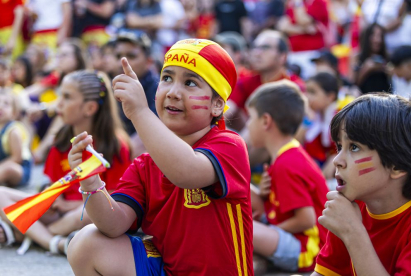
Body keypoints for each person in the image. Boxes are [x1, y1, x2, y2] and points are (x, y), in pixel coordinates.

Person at [67, 39, 253, 275]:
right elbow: (113, 225)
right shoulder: (144, 164)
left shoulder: (229, 145)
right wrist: (91, 181)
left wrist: (140, 112)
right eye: (167, 78)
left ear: (217, 105)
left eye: (190, 83)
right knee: (86, 242)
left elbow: (185, 172)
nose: (173, 92)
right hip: (166, 270)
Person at [0, 70, 131, 254]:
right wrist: (53, 197)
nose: (58, 103)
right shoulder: (61, 139)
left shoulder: (116, 145)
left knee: (84, 214)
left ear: (90, 108)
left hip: (85, 213)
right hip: (55, 211)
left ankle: (26, 234)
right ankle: (53, 242)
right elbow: (50, 180)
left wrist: (71, 206)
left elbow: (117, 198)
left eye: (67, 97)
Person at [312, 93, 411, 275]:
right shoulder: (351, 207)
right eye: (339, 146)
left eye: (354, 147)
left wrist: (353, 232)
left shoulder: (349, 220)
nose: (337, 160)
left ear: (397, 165)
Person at [247, 80, 329, 273]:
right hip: (299, 239)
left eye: (251, 118)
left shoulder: (287, 163)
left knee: (240, 228)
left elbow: (306, 220)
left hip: (308, 249)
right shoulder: (288, 155)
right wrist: (266, 197)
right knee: (243, 187)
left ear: (266, 121)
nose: (248, 125)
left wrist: (271, 232)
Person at [227, 30, 305, 132]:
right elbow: (227, 110)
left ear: (283, 56)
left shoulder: (294, 86)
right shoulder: (247, 81)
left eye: (265, 48)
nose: (257, 53)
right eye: (255, 47)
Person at [114, 28, 158, 158]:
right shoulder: (112, 84)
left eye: (131, 56)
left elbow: (149, 136)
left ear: (149, 61)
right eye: (118, 56)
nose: (121, 63)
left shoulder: (160, 89)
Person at [303, 72, 354, 180]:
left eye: (312, 92)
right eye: (306, 91)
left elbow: (347, 147)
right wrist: (307, 120)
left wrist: (332, 159)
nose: (307, 97)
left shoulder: (340, 115)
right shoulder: (315, 114)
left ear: (330, 96)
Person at [0, 89, 31, 187]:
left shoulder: (13, 131)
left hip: (20, 168)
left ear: (14, 112)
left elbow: (17, 158)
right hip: (2, 164)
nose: (1, 107)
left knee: (9, 169)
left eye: (6, 104)